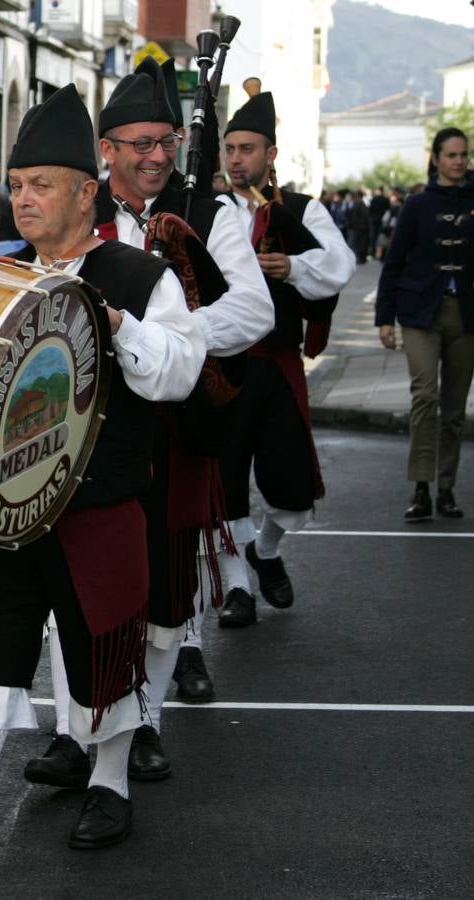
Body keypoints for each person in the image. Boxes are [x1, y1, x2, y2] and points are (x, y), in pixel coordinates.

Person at [0, 84, 204, 867]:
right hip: (4, 501)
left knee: (101, 646)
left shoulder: (137, 276)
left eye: (40, 187)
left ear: (85, 193)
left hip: (99, 500)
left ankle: (109, 786)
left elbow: (177, 374)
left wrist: (116, 322)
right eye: (17, 185)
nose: (21, 200)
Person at [21, 59, 270, 790]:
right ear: (104, 149)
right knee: (75, 585)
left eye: (167, 141)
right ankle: (76, 730)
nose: (157, 156)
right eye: (139, 143)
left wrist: (167, 331)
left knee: (161, 590)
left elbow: (253, 311)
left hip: (173, 422)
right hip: (80, 425)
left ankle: (144, 725)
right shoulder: (75, 208)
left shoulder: (210, 213)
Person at [216, 91, 354, 628]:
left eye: (246, 149)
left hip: (276, 364)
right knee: (223, 484)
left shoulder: (301, 210)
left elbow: (338, 266)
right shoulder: (213, 210)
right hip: (222, 367)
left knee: (293, 488)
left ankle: (266, 551)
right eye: (229, 149)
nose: (235, 160)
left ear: (270, 154)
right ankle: (235, 588)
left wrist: (292, 267)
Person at [376, 127, 473, 521]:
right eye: (451, 154)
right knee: (425, 396)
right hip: (420, 313)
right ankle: (421, 487)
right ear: (435, 158)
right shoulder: (416, 204)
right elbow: (394, 262)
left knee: (453, 409)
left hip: (466, 314)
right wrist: (385, 318)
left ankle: (446, 489)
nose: (458, 161)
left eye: (463, 155)